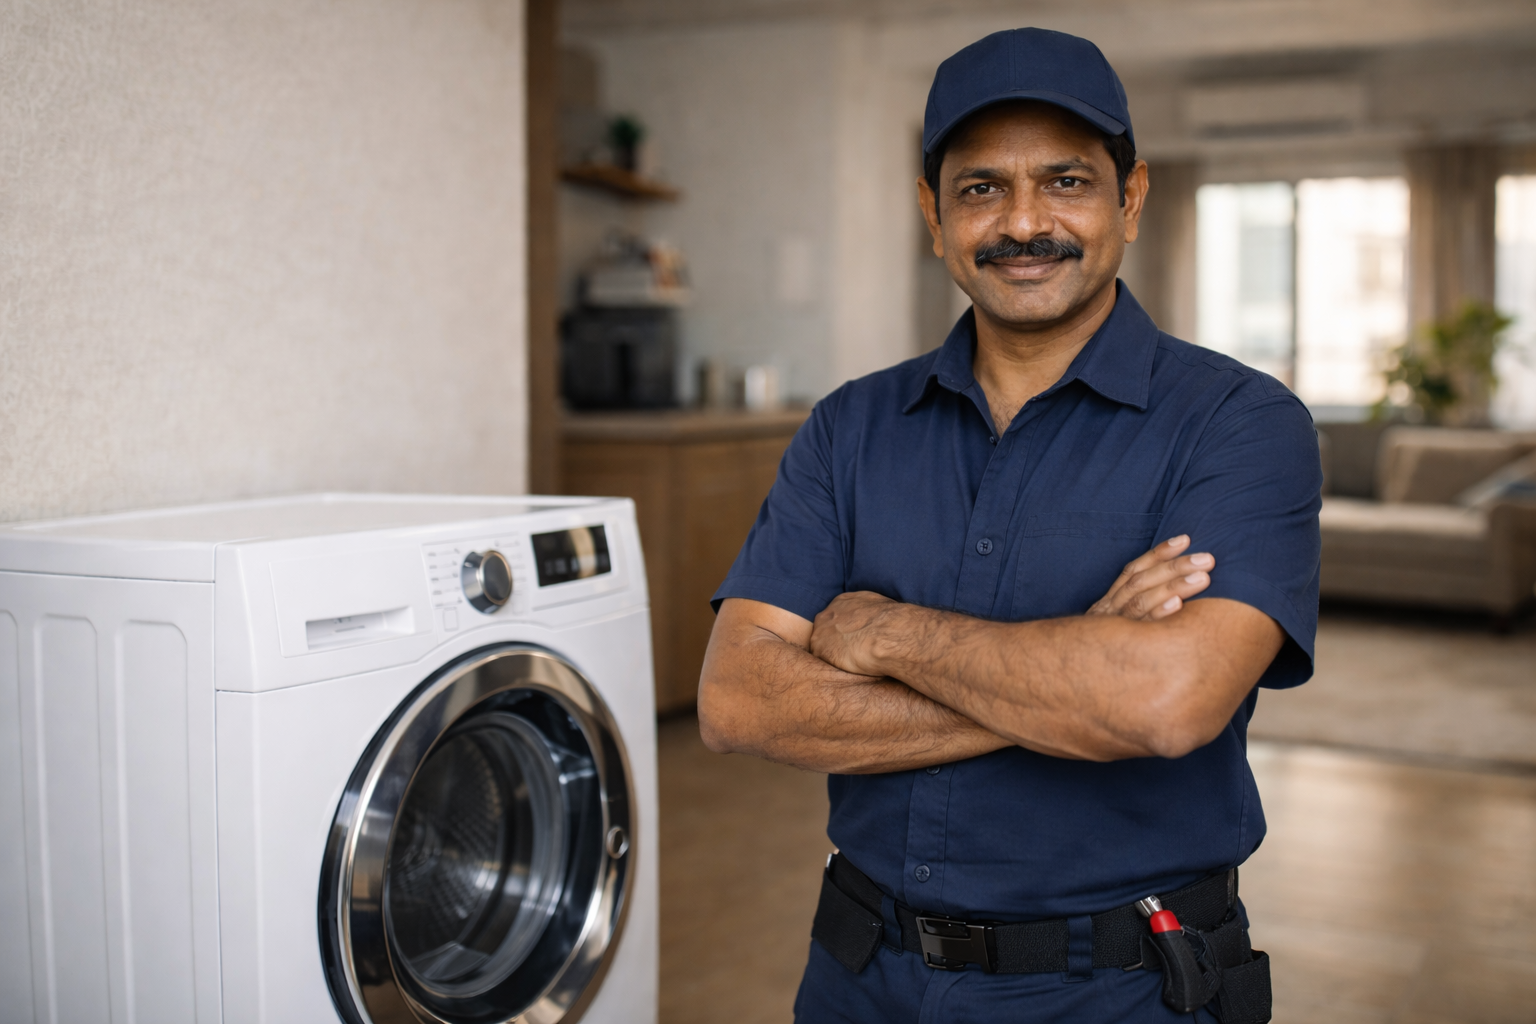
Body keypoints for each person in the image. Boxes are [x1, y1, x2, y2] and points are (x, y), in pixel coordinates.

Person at [698, 26, 1319, 1024]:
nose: (1023, 221)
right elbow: (738, 701)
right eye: (981, 187)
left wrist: (883, 634)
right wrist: (1079, 669)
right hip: (862, 978)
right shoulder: (849, 426)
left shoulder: (1240, 424)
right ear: (932, 216)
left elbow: (1165, 704)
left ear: (1131, 198)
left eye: (1066, 180)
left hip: (1122, 987)